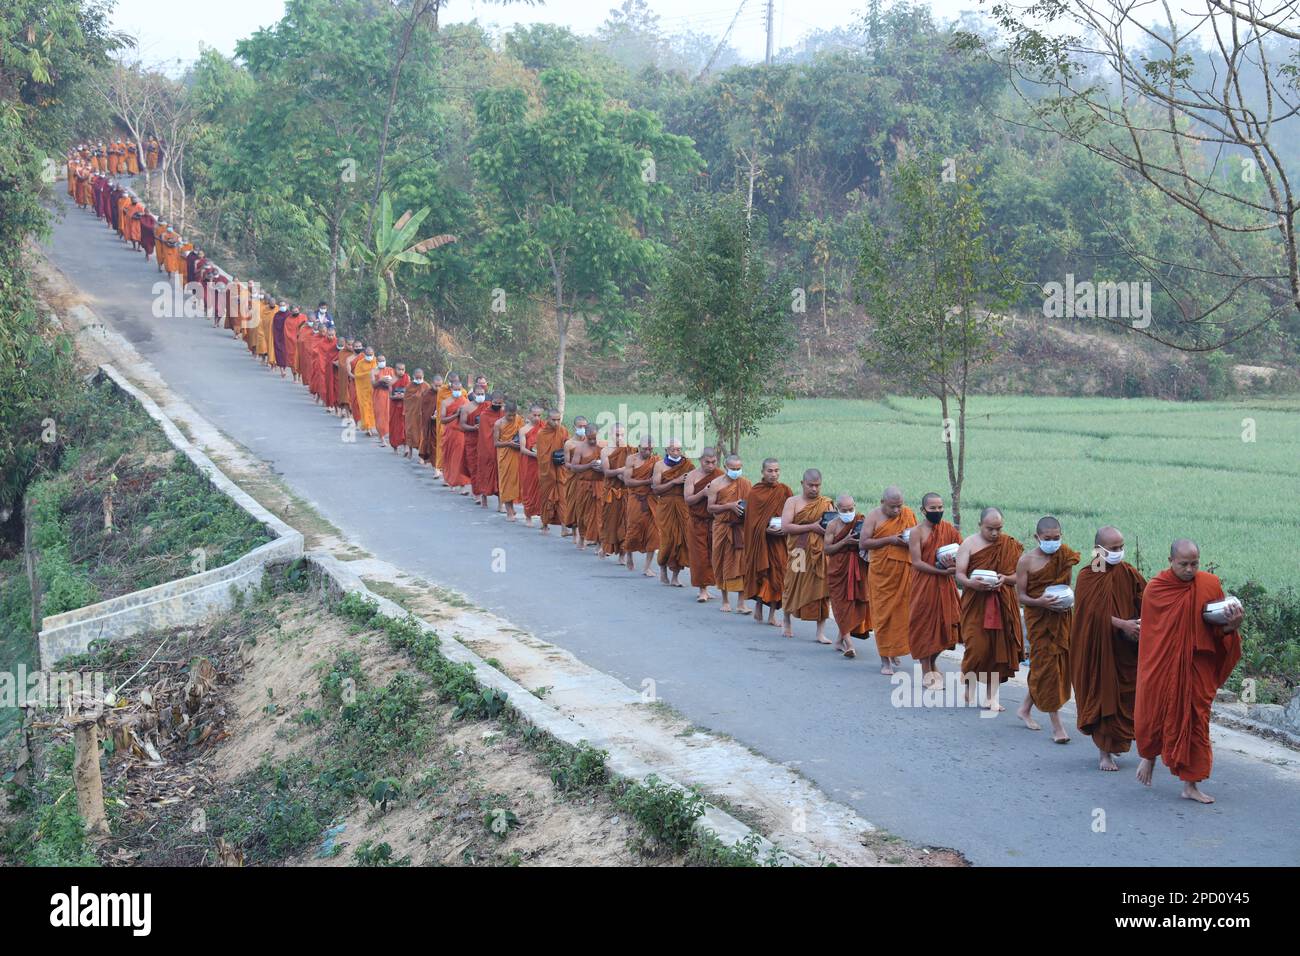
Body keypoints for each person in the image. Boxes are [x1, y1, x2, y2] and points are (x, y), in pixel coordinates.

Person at [1134, 539, 1243, 804]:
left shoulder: (1209, 584)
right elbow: (1153, 636)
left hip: (1197, 667)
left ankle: (1191, 784)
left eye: (1195, 563)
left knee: (1196, 721)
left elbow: (1218, 630)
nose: (1189, 569)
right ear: (1170, 560)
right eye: (1183, 564)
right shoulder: (1156, 590)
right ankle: (1149, 755)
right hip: (1163, 664)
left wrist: (1231, 626)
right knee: (1154, 712)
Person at [1070, 526, 1145, 771]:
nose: (1119, 552)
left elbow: (1145, 600)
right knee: (1105, 695)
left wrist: (1141, 624)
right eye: (1113, 549)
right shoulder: (1089, 575)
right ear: (1099, 550)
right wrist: (1121, 624)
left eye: (1121, 547)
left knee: (1129, 695)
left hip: (1126, 647)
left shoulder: (1128, 572)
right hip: (1099, 648)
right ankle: (1104, 754)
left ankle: (1118, 744)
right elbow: (1088, 615)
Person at [1015, 516, 1081, 743]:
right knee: (1048, 670)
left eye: (1057, 538)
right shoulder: (1026, 561)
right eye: (1048, 538)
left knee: (1047, 667)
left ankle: (1024, 708)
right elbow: (1021, 596)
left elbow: (1066, 586)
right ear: (1037, 537)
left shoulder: (1064, 555)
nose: (1053, 542)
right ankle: (1057, 727)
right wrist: (1041, 602)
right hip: (1039, 620)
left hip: (1061, 618)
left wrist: (1066, 600)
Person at [955, 507, 1025, 712]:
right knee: (976, 647)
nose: (995, 533)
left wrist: (1005, 579)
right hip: (976, 603)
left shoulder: (1008, 545)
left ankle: (991, 697)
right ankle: (969, 686)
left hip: (1002, 602)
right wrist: (971, 583)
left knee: (998, 650)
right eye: (990, 529)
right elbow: (959, 573)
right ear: (980, 526)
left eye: (998, 529)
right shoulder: (969, 543)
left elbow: (1019, 576)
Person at [860, 486, 917, 675]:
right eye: (892, 507)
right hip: (881, 575)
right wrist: (890, 540)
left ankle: (894, 650)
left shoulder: (908, 514)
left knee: (902, 614)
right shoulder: (873, 516)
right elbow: (864, 543)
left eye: (899, 506)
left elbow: (917, 538)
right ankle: (885, 660)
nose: (896, 511)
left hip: (904, 572)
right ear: (882, 502)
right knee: (883, 616)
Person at [907, 493, 961, 687]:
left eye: (940, 508)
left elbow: (961, 551)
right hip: (924, 585)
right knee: (925, 627)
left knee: (950, 627)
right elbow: (917, 562)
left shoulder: (948, 529)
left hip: (946, 586)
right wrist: (940, 571)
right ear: (923, 511)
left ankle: (932, 660)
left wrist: (955, 567)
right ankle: (926, 671)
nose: (937, 511)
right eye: (933, 509)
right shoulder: (917, 532)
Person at [779, 469, 834, 643]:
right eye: (811, 485)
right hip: (799, 550)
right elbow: (786, 527)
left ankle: (820, 632)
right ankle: (786, 620)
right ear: (802, 483)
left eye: (817, 486)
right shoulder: (793, 502)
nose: (814, 489)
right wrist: (812, 527)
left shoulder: (826, 504)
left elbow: (832, 527)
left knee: (822, 588)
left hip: (820, 552)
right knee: (792, 583)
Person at [742, 458, 792, 628]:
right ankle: (758, 607)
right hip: (761, 542)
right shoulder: (755, 493)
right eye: (770, 471)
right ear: (762, 472)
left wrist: (785, 528)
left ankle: (772, 614)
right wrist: (765, 530)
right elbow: (751, 522)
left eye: (777, 470)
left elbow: (791, 515)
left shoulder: (784, 491)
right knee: (762, 573)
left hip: (779, 542)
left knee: (778, 575)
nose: (774, 474)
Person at [825, 494, 869, 658]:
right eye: (844, 510)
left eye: (851, 509)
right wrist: (845, 542)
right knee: (840, 605)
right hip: (838, 569)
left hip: (858, 567)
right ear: (837, 509)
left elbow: (868, 541)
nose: (848, 512)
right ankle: (849, 644)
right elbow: (827, 549)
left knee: (855, 605)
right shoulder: (832, 525)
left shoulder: (861, 521)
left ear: (855, 506)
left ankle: (839, 640)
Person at [707, 454, 751, 614]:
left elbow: (751, 506)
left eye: (739, 469)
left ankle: (741, 603)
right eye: (733, 469)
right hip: (722, 527)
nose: (736, 472)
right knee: (720, 562)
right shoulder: (716, 484)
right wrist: (729, 506)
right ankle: (725, 600)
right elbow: (710, 508)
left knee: (742, 564)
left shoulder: (746, 484)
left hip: (740, 528)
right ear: (725, 468)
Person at [651, 440, 693, 586]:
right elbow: (656, 489)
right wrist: (675, 481)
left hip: (682, 505)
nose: (677, 452)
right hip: (666, 505)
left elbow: (694, 483)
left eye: (679, 449)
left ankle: (675, 576)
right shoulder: (660, 465)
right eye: (673, 450)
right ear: (667, 450)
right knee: (667, 539)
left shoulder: (687, 465)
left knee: (681, 540)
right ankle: (662, 567)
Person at [684, 448, 722, 603]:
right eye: (707, 462)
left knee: (714, 554)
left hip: (715, 521)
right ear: (701, 460)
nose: (711, 466)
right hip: (697, 521)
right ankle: (702, 590)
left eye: (714, 462)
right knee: (699, 556)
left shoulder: (720, 476)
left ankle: (710, 585)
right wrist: (703, 493)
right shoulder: (692, 476)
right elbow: (688, 499)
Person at [620, 437, 660, 574]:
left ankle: (647, 566)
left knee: (654, 533)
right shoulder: (631, 459)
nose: (648, 452)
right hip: (635, 499)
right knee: (633, 528)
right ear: (639, 447)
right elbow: (628, 482)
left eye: (650, 449)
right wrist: (647, 481)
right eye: (645, 449)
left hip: (652, 500)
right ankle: (630, 555)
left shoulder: (656, 461)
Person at [598, 424, 630, 559]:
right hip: (611, 492)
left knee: (625, 523)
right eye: (617, 435)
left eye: (622, 435)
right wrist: (620, 471)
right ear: (611, 434)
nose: (620, 438)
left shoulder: (630, 449)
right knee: (609, 522)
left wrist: (625, 474)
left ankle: (622, 553)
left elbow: (635, 469)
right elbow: (606, 472)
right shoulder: (605, 451)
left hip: (626, 491)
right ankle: (605, 547)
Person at [536, 409, 569, 533]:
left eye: (558, 420)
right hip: (547, 473)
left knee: (563, 499)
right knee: (546, 498)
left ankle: (564, 527)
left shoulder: (563, 430)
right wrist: (550, 467)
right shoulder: (541, 433)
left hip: (561, 470)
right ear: (547, 419)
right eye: (553, 420)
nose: (556, 423)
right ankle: (545, 524)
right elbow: (542, 456)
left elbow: (567, 446)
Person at [493, 400, 525, 519]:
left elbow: (523, 435)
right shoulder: (498, 424)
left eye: (513, 415)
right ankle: (509, 511)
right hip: (504, 455)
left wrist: (520, 443)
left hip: (517, 454)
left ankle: (512, 508)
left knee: (516, 482)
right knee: (506, 482)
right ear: (504, 412)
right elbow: (496, 443)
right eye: (509, 415)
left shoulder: (519, 420)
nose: (511, 417)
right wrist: (509, 443)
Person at [474, 391, 506, 509]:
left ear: (503, 403)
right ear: (491, 402)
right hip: (485, 449)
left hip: (499, 448)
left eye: (499, 403)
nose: (497, 405)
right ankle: (484, 498)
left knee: (500, 475)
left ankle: (500, 503)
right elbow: (484, 434)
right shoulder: (484, 415)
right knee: (484, 473)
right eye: (495, 402)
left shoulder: (504, 414)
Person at [439, 376, 471, 491]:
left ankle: (462, 484)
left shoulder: (466, 402)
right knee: (449, 457)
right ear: (451, 389)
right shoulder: (445, 402)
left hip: (461, 434)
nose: (458, 392)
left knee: (461, 459)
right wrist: (455, 415)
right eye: (455, 390)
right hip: (450, 433)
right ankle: (450, 480)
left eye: (459, 390)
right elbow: (442, 420)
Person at [519, 405, 545, 525]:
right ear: (529, 415)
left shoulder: (545, 428)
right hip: (529, 462)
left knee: (541, 490)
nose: (537, 418)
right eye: (534, 415)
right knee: (528, 489)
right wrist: (535, 455)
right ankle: (528, 516)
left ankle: (542, 516)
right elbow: (523, 449)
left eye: (539, 415)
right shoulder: (523, 430)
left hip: (543, 463)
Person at [401, 369, 431, 457]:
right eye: (417, 377)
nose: (418, 379)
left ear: (423, 376)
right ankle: (410, 451)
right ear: (413, 376)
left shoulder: (426, 386)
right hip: (411, 414)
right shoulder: (409, 386)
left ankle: (421, 455)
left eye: (420, 377)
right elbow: (406, 399)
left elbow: (429, 400)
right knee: (410, 431)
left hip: (422, 414)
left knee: (422, 433)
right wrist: (415, 397)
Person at [371, 355, 397, 443]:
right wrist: (380, 380)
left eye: (383, 360)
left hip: (389, 394)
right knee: (380, 415)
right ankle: (381, 435)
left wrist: (389, 381)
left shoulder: (390, 370)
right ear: (377, 362)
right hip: (379, 395)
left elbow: (395, 381)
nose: (382, 362)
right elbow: (373, 384)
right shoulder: (374, 371)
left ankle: (388, 434)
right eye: (380, 361)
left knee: (388, 414)